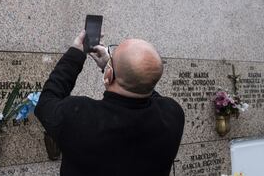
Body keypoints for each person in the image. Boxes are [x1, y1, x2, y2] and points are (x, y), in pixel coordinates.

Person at [34, 30, 184, 176]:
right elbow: (144, 85)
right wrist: (112, 67)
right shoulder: (173, 115)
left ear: (109, 75)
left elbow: (46, 102)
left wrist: (76, 53)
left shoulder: (79, 117)